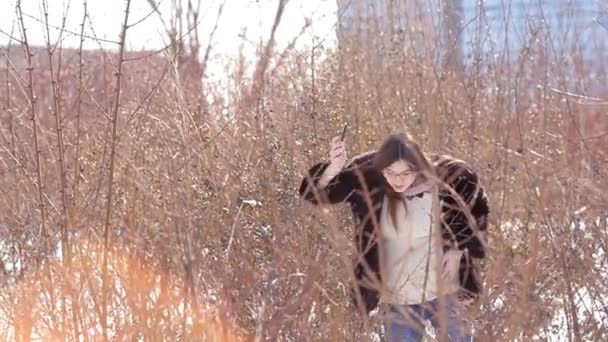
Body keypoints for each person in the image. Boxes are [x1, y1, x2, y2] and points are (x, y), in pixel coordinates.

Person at [298, 132, 490, 341]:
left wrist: (458, 248)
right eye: (390, 173)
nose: (398, 180)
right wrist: (335, 167)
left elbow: (476, 209)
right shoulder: (369, 186)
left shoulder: (445, 183)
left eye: (405, 173)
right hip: (398, 299)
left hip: (445, 292)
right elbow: (313, 193)